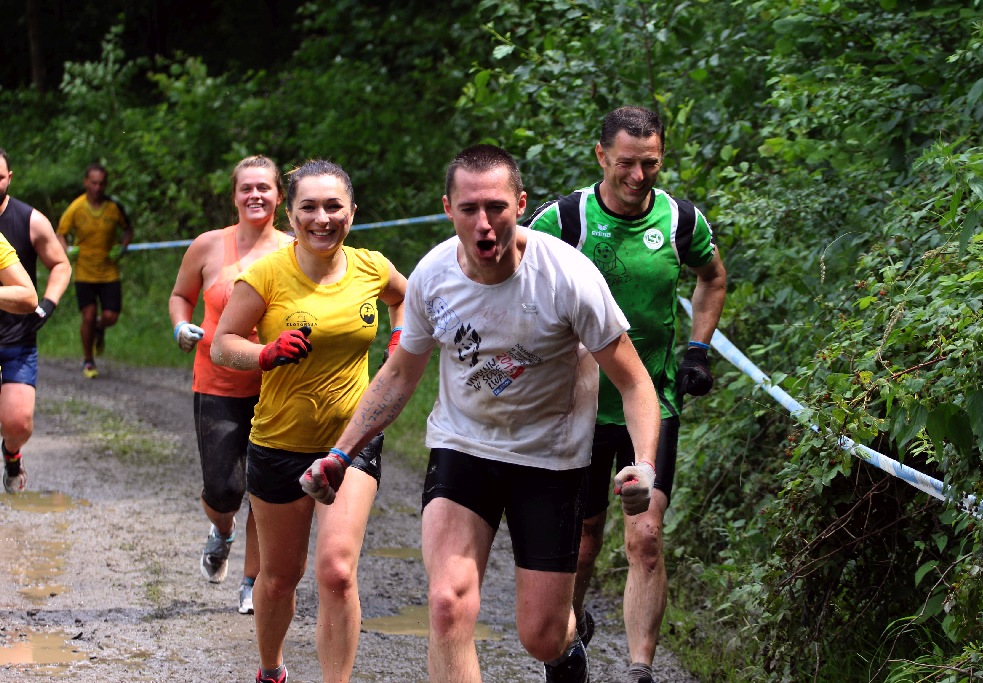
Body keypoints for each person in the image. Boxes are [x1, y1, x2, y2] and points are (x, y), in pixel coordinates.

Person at [299, 144, 662, 683]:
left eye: (496, 207)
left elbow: (635, 382)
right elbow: (400, 372)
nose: (484, 224)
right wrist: (340, 453)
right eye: (469, 209)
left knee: (540, 635)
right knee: (447, 605)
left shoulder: (567, 277)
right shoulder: (432, 276)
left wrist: (645, 466)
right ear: (449, 209)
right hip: (463, 448)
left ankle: (565, 650)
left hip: (550, 460)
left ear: (520, 204)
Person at [526, 105, 728, 683]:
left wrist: (697, 350)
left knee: (646, 535)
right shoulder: (563, 220)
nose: (639, 177)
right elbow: (515, 282)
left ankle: (640, 670)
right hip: (580, 408)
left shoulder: (682, 220)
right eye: (626, 165)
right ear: (600, 157)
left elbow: (711, 278)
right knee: (586, 540)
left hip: (653, 402)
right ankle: (567, 640)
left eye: (651, 164)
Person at [210, 159, 406, 683]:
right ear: (290, 214)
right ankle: (271, 670)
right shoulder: (268, 274)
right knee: (279, 578)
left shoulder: (371, 266)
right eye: (310, 208)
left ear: (352, 212)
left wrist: (398, 341)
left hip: (351, 441)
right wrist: (266, 354)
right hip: (278, 441)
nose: (323, 218)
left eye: (334, 207)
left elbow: (405, 299)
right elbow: (223, 345)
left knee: (337, 572)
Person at [168, 155, 293, 614]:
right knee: (224, 490)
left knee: (264, 491)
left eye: (265, 187)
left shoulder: (295, 249)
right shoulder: (207, 246)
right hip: (217, 381)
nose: (255, 195)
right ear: (235, 195)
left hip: (277, 386)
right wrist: (181, 326)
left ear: (279, 196)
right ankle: (221, 532)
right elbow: (180, 295)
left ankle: (251, 583)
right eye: (247, 188)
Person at [0, 148, 73, 494]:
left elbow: (60, 264)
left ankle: (11, 453)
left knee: (18, 422)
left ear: (9, 178)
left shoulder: (29, 219)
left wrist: (47, 305)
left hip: (17, 335)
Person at [56, 162, 134, 379]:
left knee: (111, 316)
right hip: (84, 272)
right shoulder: (76, 207)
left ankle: (99, 329)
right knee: (88, 316)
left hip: (109, 272)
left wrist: (123, 246)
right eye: (93, 183)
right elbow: (60, 233)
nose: (98, 188)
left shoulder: (113, 207)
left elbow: (128, 228)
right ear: (85, 183)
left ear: (106, 184)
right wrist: (67, 250)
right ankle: (88, 361)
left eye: (101, 183)